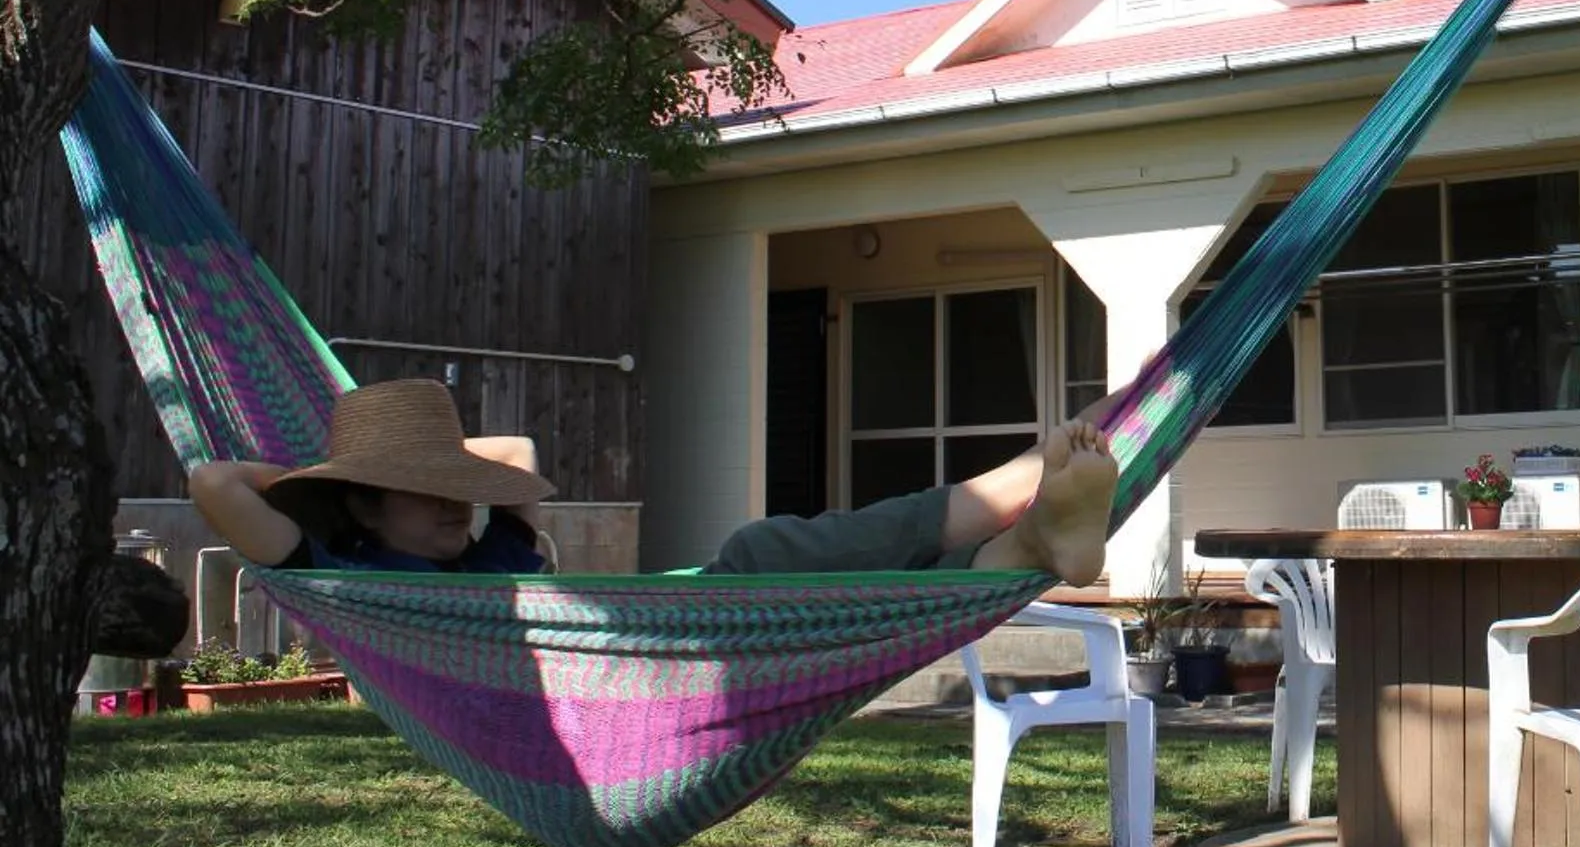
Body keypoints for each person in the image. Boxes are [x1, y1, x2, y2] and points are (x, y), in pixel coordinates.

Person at [188, 377, 1121, 584]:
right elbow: (213, 480)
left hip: (645, 624)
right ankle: (1022, 523)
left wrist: (427, 474)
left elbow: (512, 463)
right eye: (426, 492)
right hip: (638, 667)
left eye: (451, 489)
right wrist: (321, 479)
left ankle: (1025, 524)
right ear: (361, 503)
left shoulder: (491, 547)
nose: (454, 506)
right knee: (772, 561)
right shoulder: (328, 569)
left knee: (767, 550)